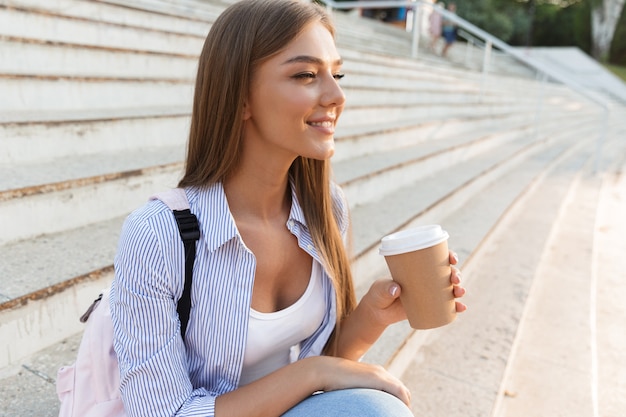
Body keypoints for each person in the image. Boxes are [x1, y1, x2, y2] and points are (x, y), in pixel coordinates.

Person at [110, 0, 467, 416]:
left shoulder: (325, 208)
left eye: (337, 73)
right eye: (305, 75)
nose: (336, 95)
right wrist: (311, 374)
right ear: (239, 98)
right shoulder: (157, 235)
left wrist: (372, 314)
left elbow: (326, 361)